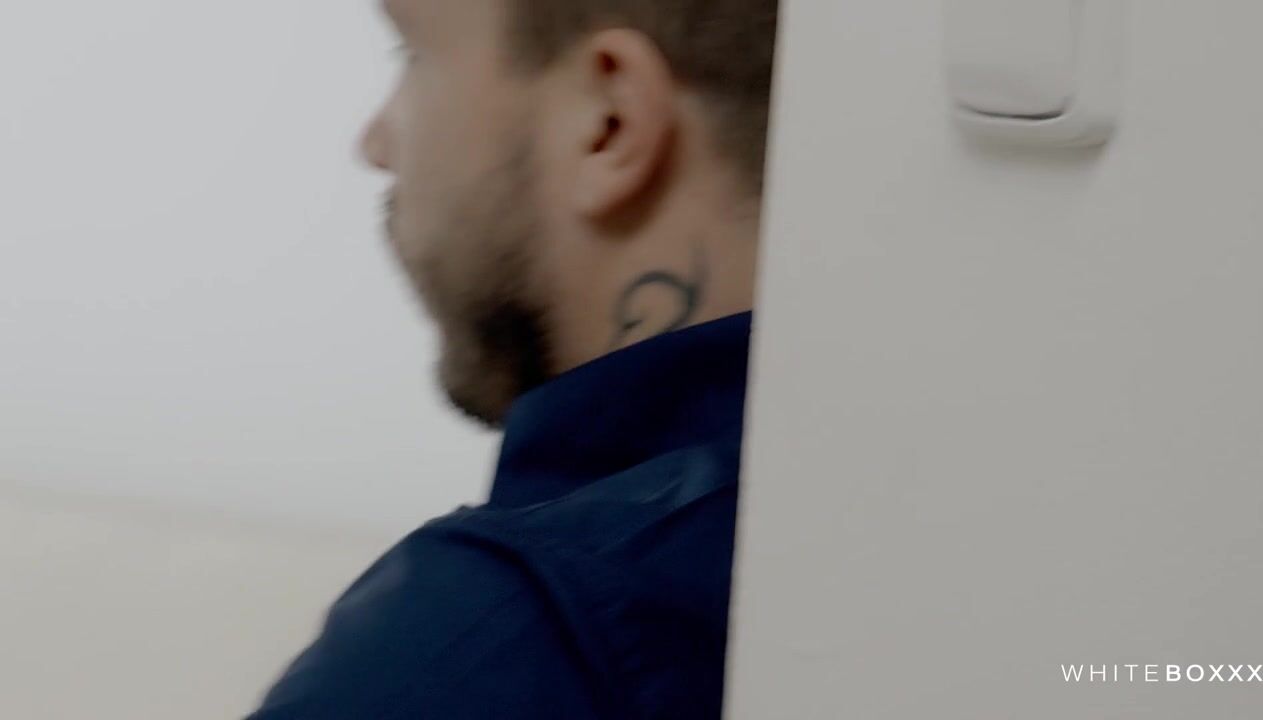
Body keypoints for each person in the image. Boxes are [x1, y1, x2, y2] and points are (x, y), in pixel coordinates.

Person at [248, 0, 777, 717]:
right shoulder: (891, 535)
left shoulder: (497, 640)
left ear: (608, 121)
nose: (374, 144)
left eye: (410, 54)